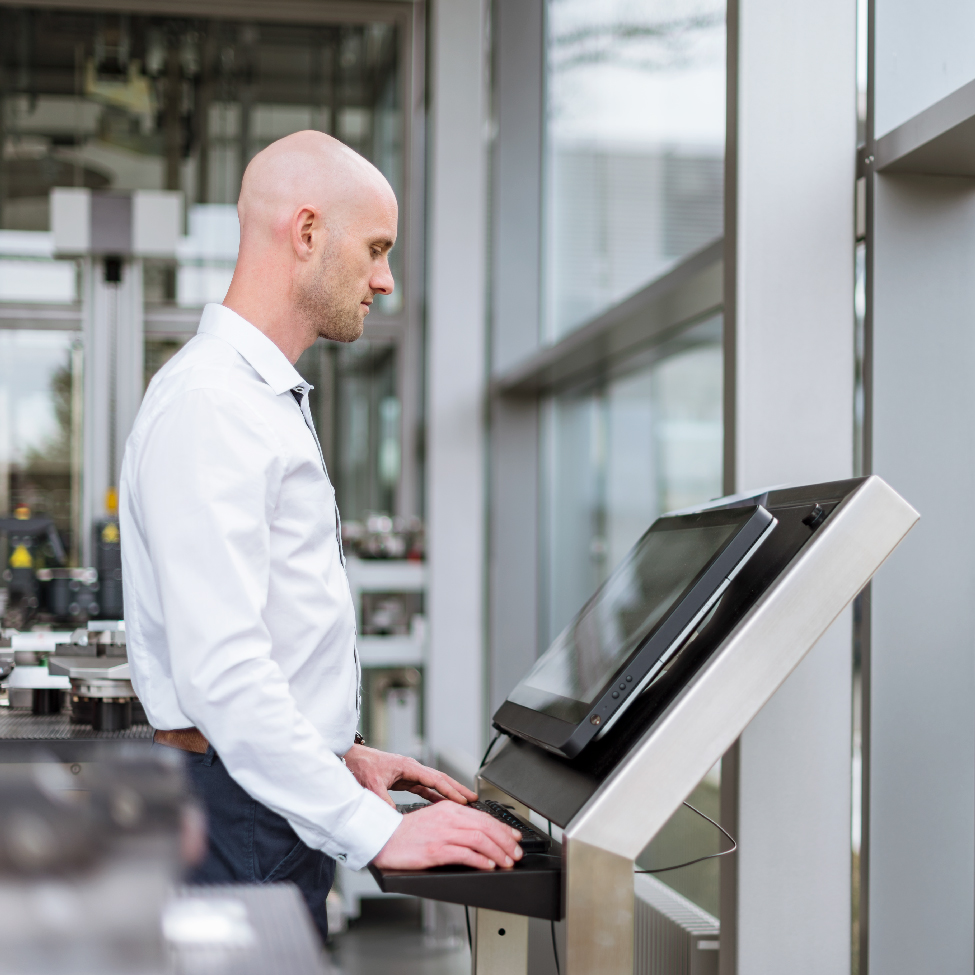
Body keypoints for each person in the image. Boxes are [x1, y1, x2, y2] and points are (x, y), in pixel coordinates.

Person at [119, 131, 522, 941]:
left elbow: (269, 635)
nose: (385, 279)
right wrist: (378, 829)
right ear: (305, 234)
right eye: (375, 248)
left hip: (259, 800)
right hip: (236, 816)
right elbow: (224, 672)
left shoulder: (255, 399)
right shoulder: (213, 406)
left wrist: (341, 752)